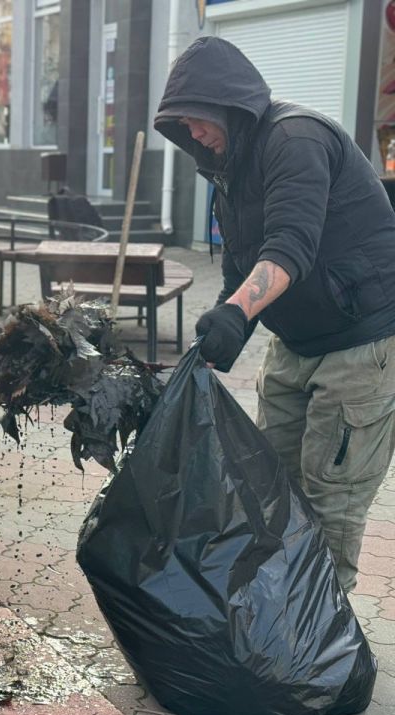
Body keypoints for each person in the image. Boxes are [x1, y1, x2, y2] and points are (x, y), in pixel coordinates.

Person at [155, 36, 395, 594]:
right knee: (273, 483)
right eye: (182, 125)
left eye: (196, 120)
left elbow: (290, 245)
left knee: (330, 494)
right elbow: (245, 265)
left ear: (226, 107)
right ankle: (280, 616)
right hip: (296, 342)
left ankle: (322, 652)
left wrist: (240, 313)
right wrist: (223, 327)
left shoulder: (295, 138)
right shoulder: (228, 170)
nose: (192, 134)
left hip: (364, 343)